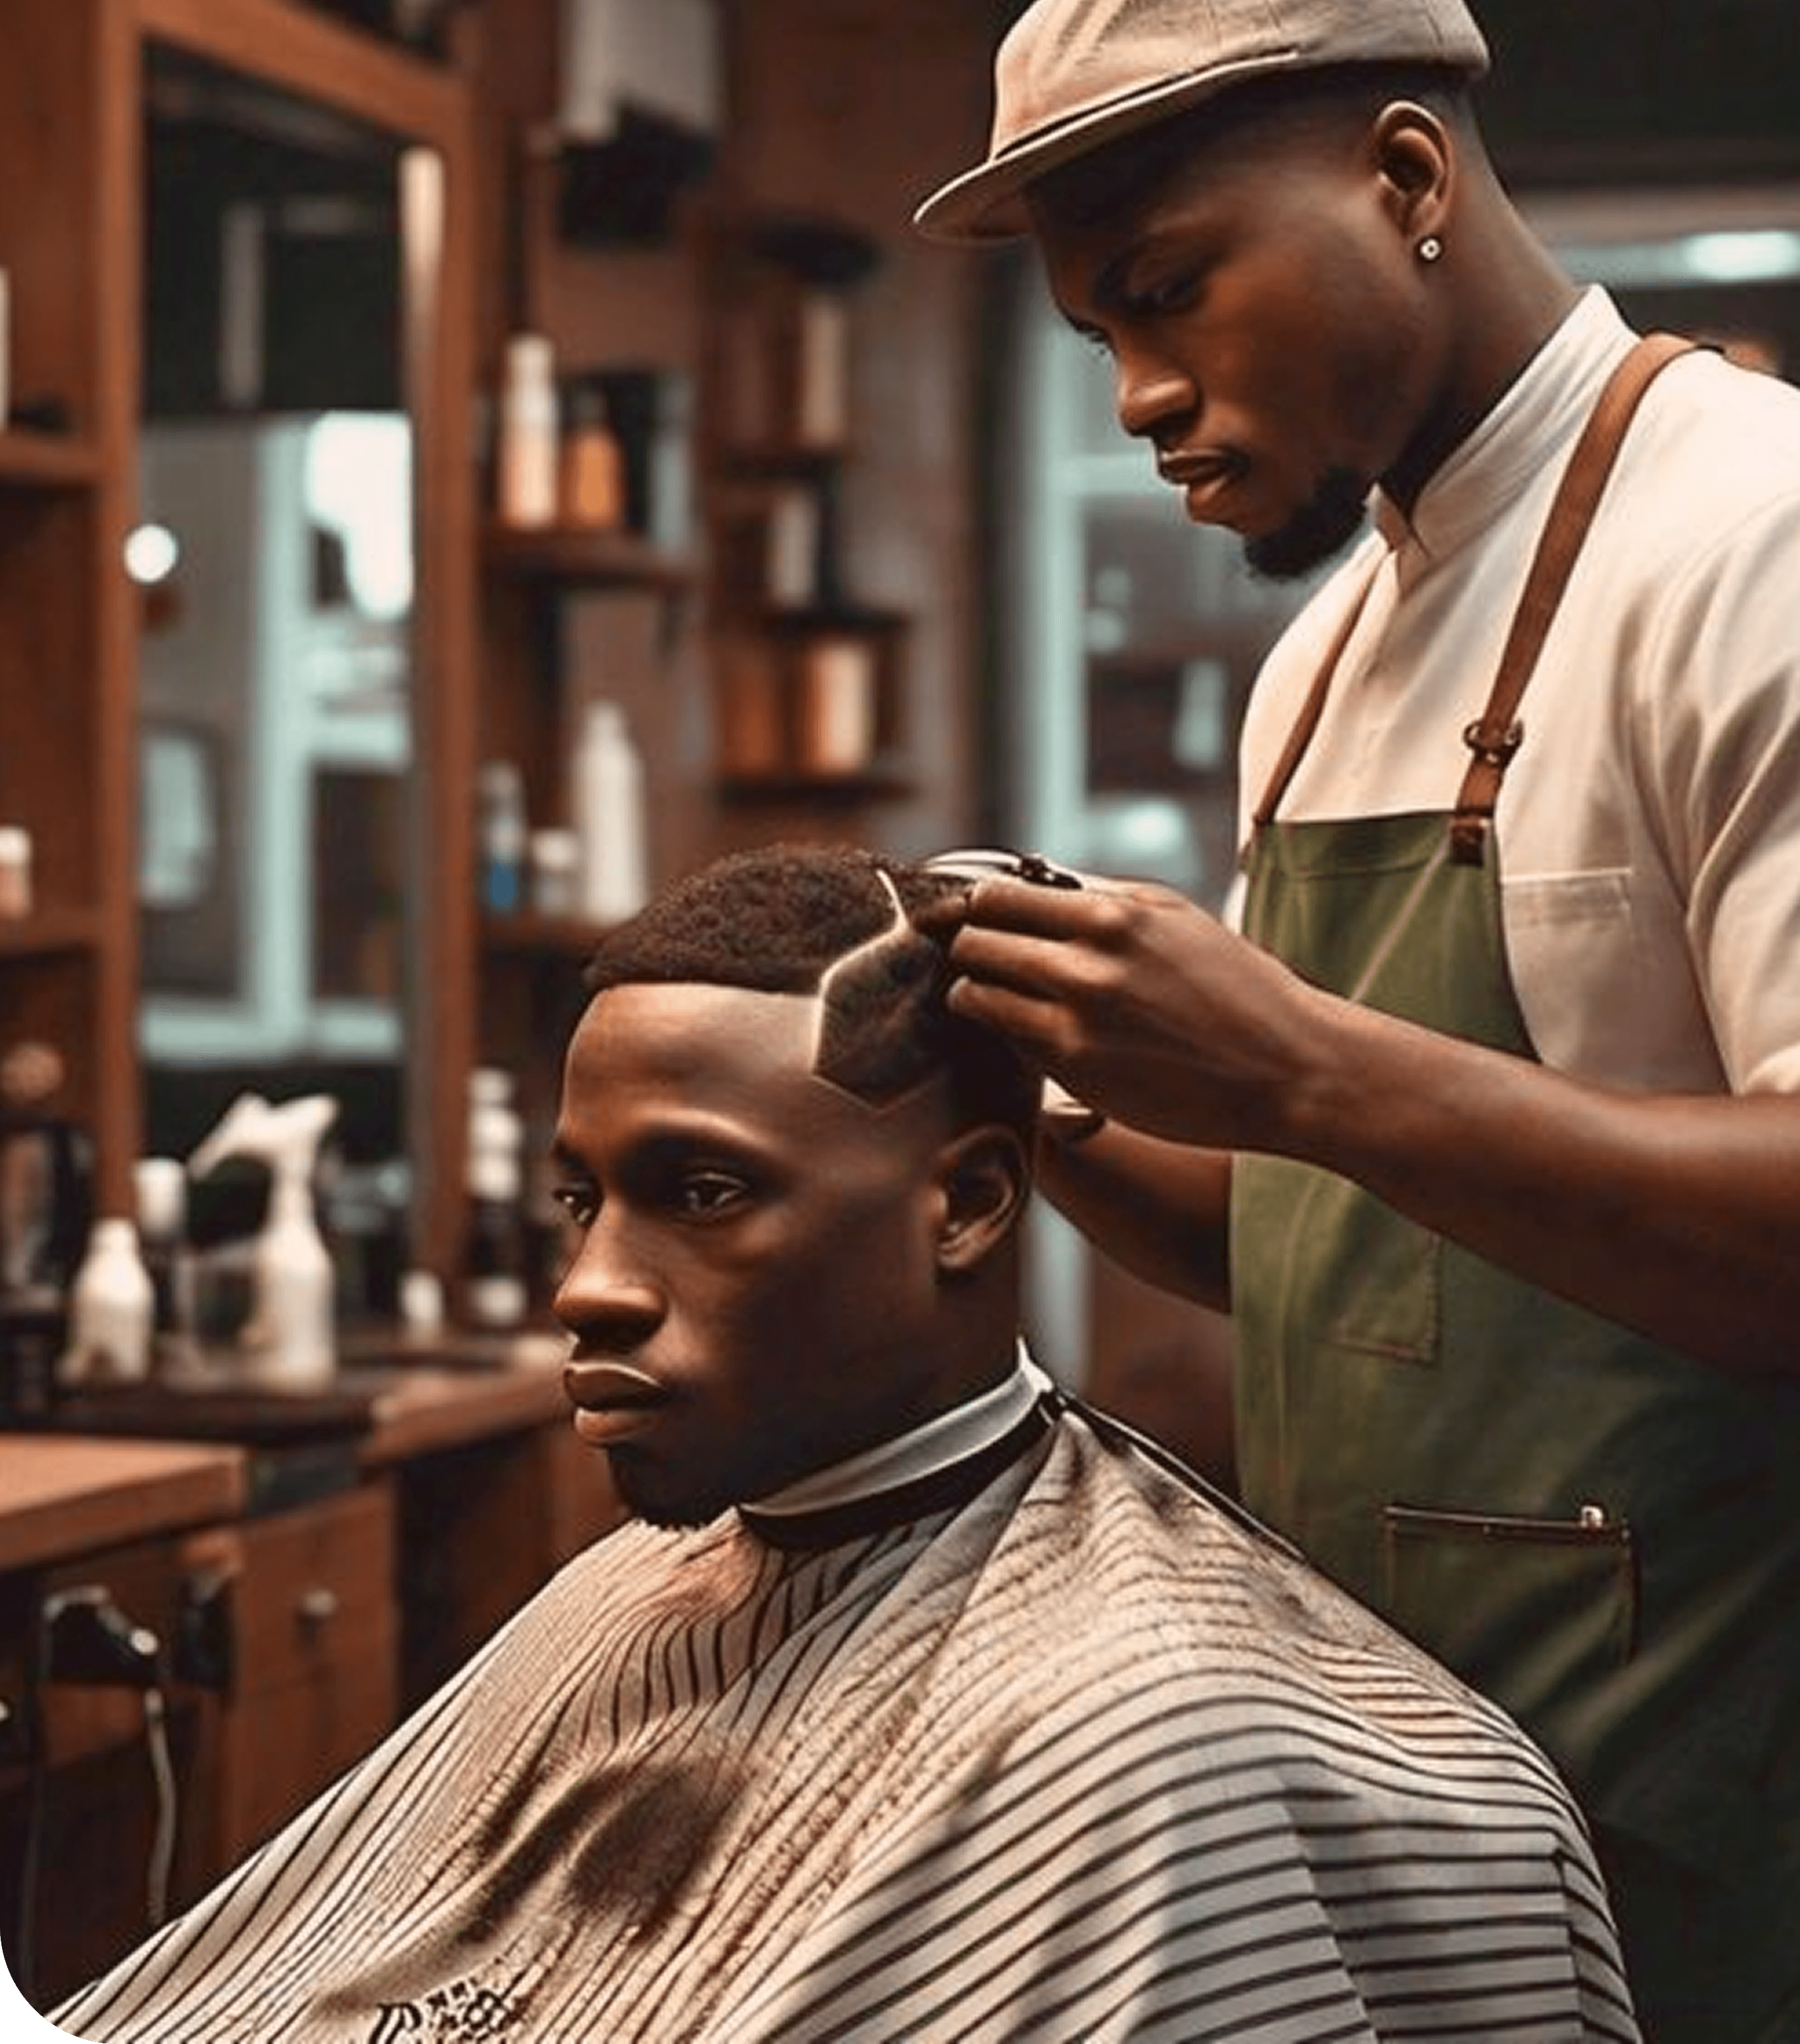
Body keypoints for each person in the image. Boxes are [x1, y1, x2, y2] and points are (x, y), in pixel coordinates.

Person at [911, 0, 1800, 2043]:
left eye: (1168, 290)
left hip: (1707, 1833)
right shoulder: (1317, 666)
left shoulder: (1751, 536)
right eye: (1098, 337)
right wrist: (1044, 1092)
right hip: (1392, 1838)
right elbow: (1345, 1260)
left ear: (1405, 177)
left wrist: (1299, 1064)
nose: (1140, 394)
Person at [58, 843, 1639, 2044]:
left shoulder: (1147, 1730)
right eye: (578, 1198)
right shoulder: (641, 1595)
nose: (587, 1286)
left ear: (970, 1202)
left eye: (702, 1191)